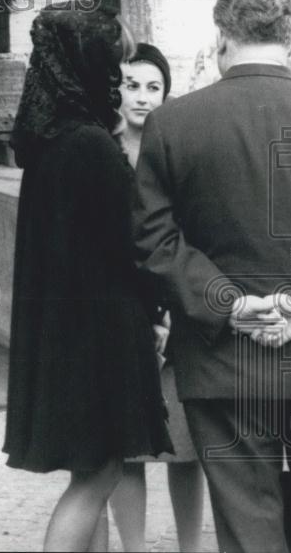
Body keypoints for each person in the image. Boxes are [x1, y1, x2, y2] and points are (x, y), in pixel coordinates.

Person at [134, 0, 291, 553]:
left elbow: (153, 239)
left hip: (222, 364)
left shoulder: (172, 124)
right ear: (288, 33)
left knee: (247, 530)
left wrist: (229, 305)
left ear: (222, 35)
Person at [3, 4, 172, 552]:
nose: (117, 80)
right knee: (100, 476)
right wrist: (161, 307)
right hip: (100, 335)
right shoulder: (91, 143)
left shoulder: (49, 142)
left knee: (89, 475)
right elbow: (132, 245)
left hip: (65, 333)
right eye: (114, 64)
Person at [109, 43, 205, 553]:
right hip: (122, 318)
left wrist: (168, 312)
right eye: (131, 85)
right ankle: (134, 548)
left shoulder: (179, 150)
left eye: (154, 88)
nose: (142, 97)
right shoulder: (101, 152)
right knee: (127, 450)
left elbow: (188, 238)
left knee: (186, 447)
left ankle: (190, 547)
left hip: (177, 318)